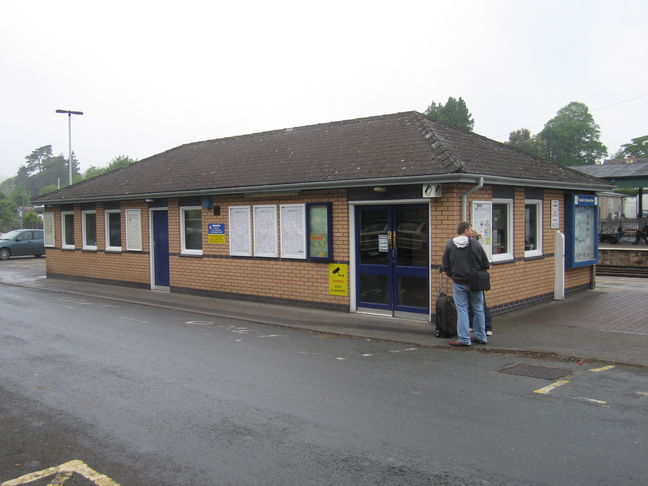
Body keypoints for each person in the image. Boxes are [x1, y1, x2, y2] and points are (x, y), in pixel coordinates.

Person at [442, 221, 490, 346]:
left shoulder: (450, 244)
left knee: (462, 309)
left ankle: (464, 339)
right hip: (475, 282)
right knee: (478, 308)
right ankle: (481, 336)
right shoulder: (475, 243)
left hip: (459, 282)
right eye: (470, 229)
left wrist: (452, 275)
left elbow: (446, 265)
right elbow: (485, 263)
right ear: (466, 230)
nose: (471, 231)